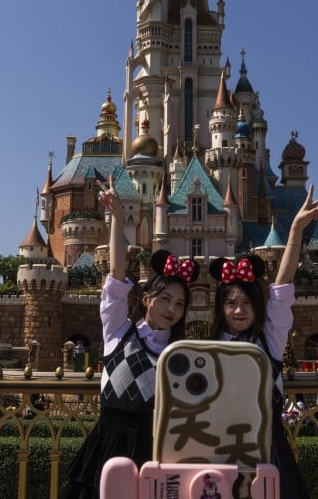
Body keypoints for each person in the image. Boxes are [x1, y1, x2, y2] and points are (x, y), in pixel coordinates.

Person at [62, 181, 196, 499]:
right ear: (147, 298)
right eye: (165, 299)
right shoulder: (119, 332)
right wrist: (119, 220)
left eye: (180, 304)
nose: (172, 309)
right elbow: (116, 278)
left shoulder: (179, 353)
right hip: (110, 442)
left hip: (158, 446)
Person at [209, 185, 318, 499]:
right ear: (220, 307)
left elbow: (282, 287)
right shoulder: (211, 344)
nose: (238, 310)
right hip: (220, 444)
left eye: (246, 303)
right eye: (231, 303)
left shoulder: (269, 339)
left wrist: (296, 229)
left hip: (266, 442)